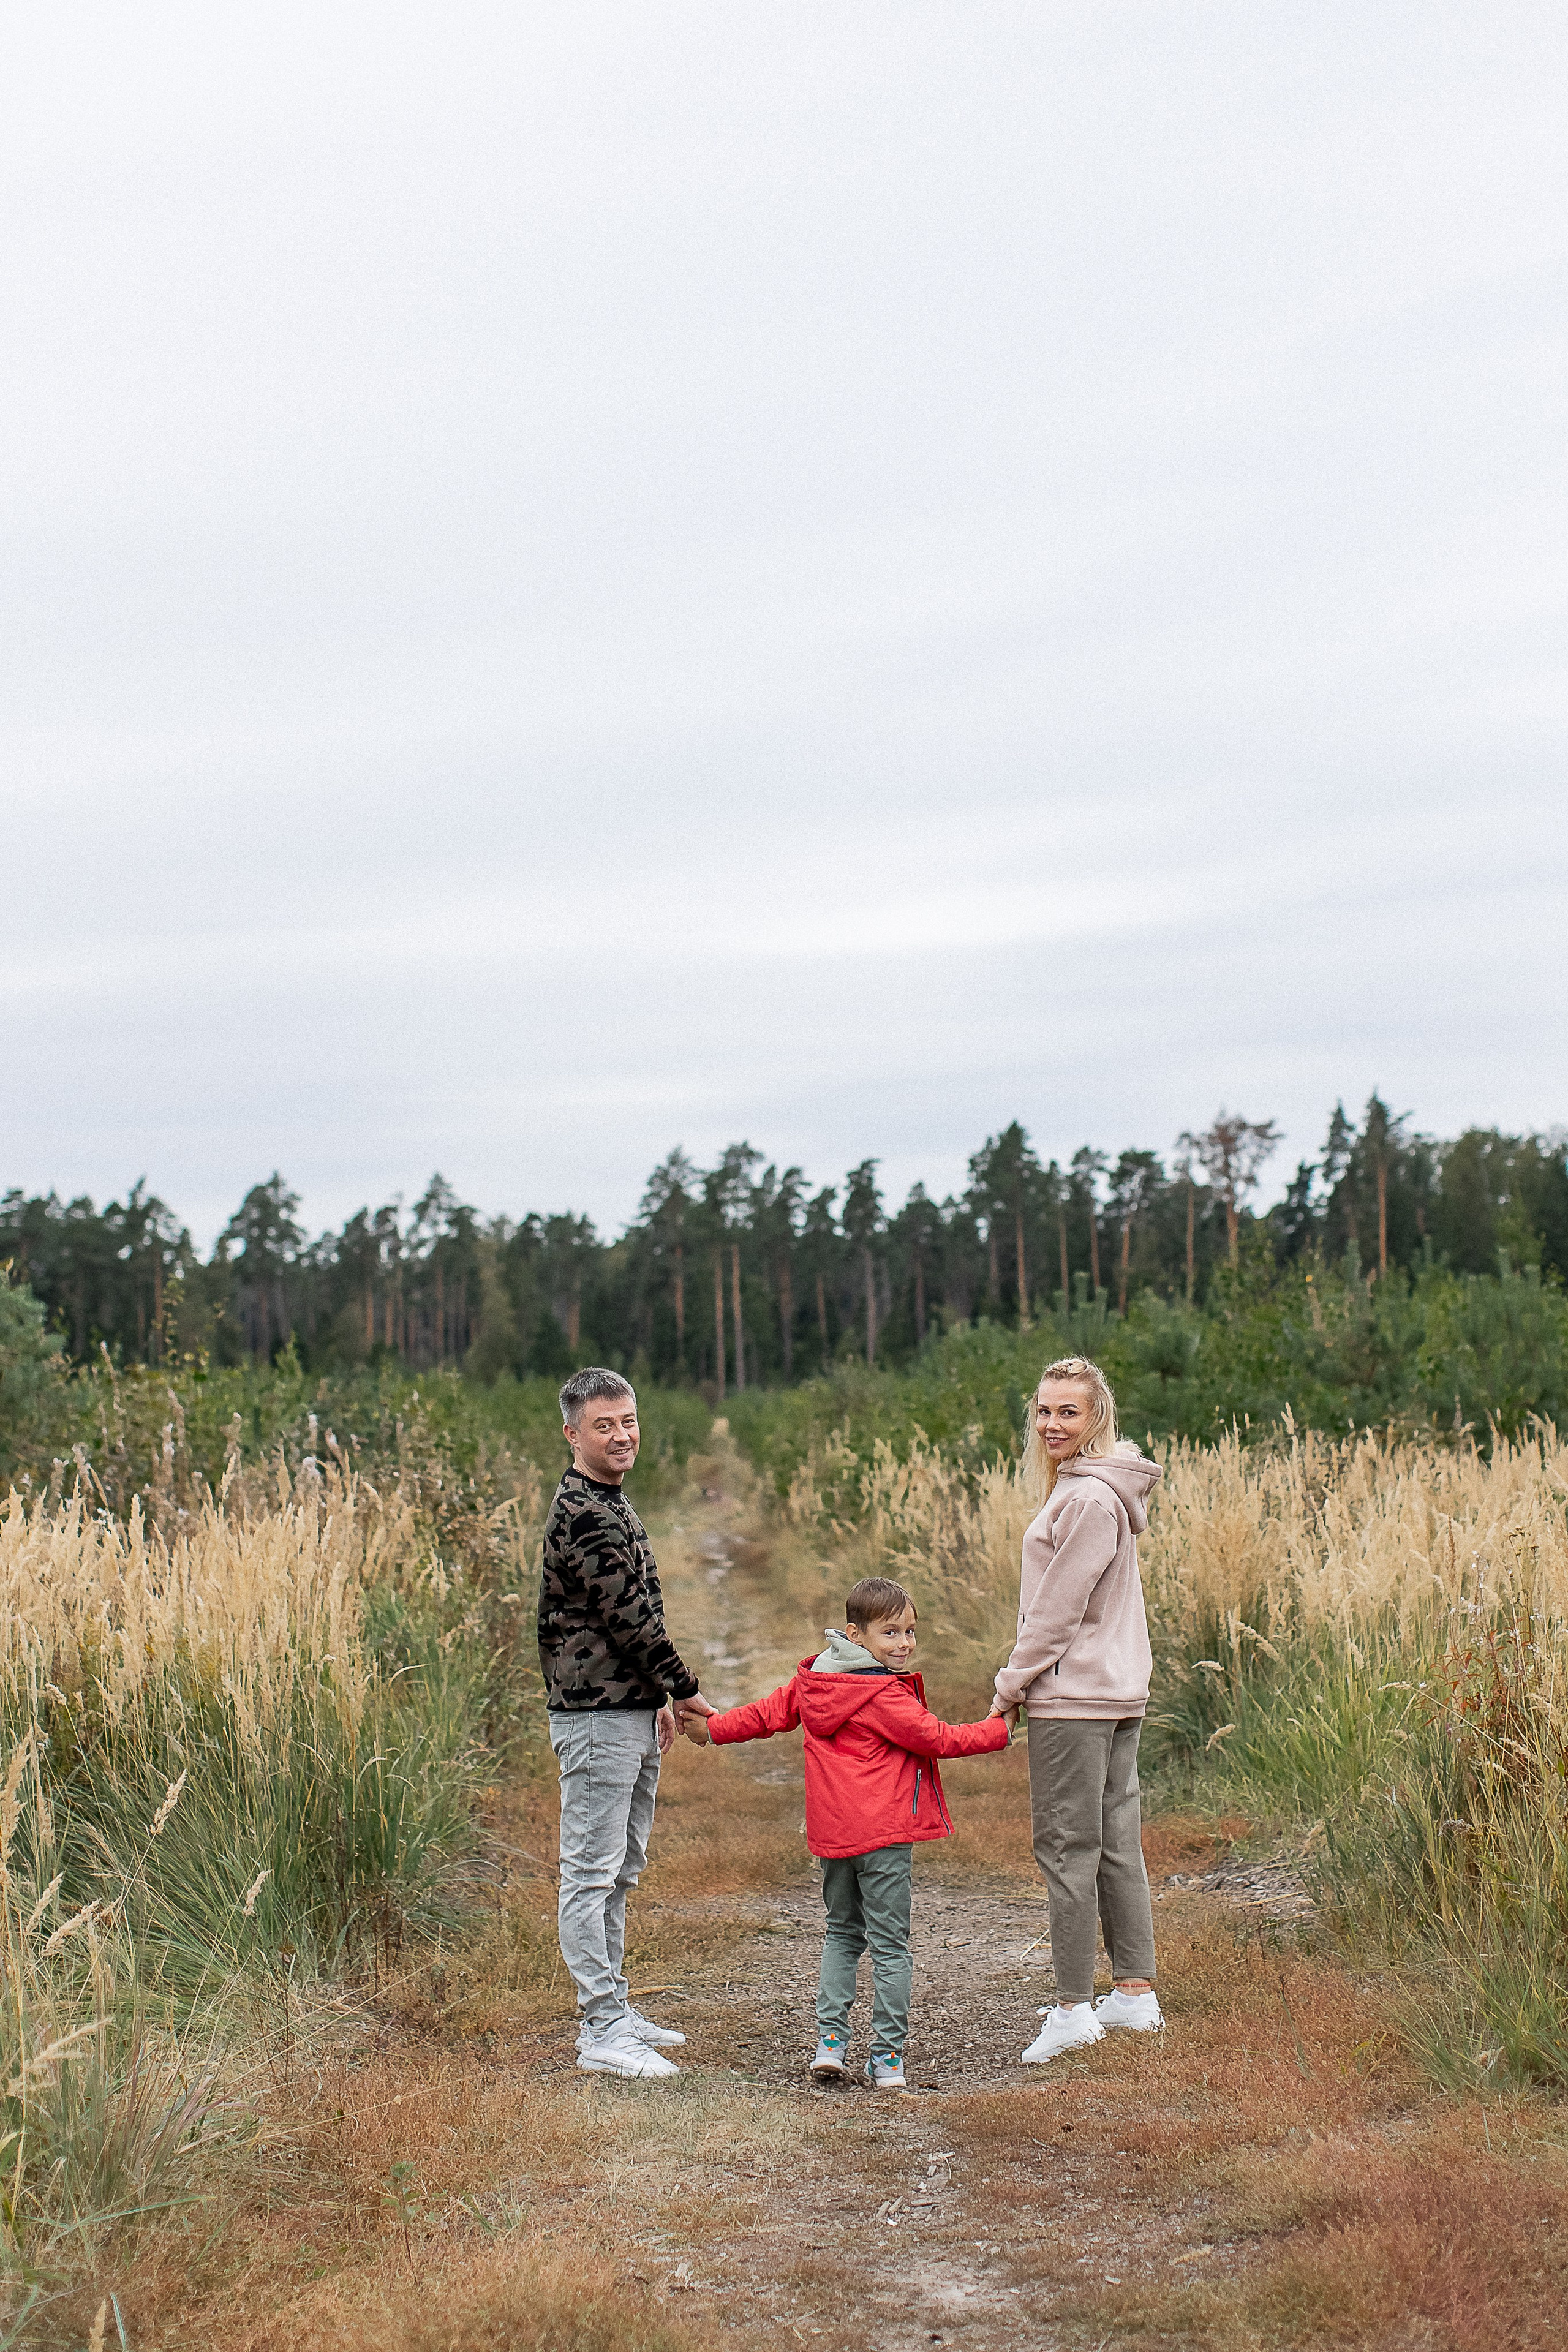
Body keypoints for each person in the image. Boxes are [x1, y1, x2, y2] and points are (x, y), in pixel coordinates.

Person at [682, 1575, 1009, 2090]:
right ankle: (888, 2057)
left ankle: (830, 2043)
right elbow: (939, 1739)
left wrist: (713, 1728)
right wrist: (1002, 1726)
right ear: (857, 1636)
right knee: (890, 1946)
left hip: (833, 1836)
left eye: (910, 1632)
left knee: (841, 1933)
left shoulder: (816, 1679)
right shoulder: (882, 1694)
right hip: (883, 1837)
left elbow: (767, 1715)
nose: (903, 1644)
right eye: (890, 1633)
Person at [537, 1366, 715, 2080]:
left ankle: (616, 2005)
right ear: (573, 1432)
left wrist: (655, 1701)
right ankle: (600, 2030)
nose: (620, 1435)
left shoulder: (611, 1501)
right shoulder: (581, 1511)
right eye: (604, 1425)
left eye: (628, 1421)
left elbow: (635, 1623)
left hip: (627, 1712)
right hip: (593, 1718)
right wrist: (686, 1691)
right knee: (589, 1874)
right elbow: (631, 1620)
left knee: (620, 1872)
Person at [990, 1354, 1166, 2063]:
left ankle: (1071, 2009)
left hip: (1076, 1697)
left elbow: (1056, 1612)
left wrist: (1011, 1686)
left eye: (1068, 1411)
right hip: (1113, 1690)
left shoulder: (1088, 1499)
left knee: (1068, 1848)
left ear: (1097, 1418)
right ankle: (1131, 1995)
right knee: (1114, 1841)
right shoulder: (1095, 1492)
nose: (1051, 1423)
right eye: (1043, 1409)